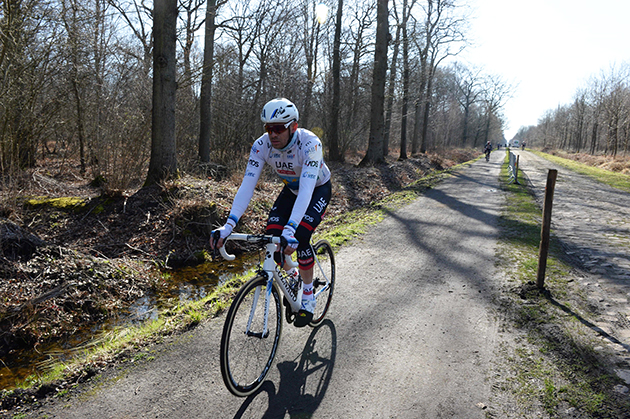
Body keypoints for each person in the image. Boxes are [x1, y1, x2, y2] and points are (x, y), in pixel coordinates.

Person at [210, 98, 332, 327]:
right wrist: (228, 226)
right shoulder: (261, 145)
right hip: (292, 190)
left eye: (278, 128)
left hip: (316, 189)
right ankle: (293, 276)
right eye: (268, 128)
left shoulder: (310, 144)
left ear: (293, 126)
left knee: (301, 236)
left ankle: (308, 296)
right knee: (272, 239)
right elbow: (247, 185)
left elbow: (306, 190)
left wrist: (292, 227)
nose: (272, 134)